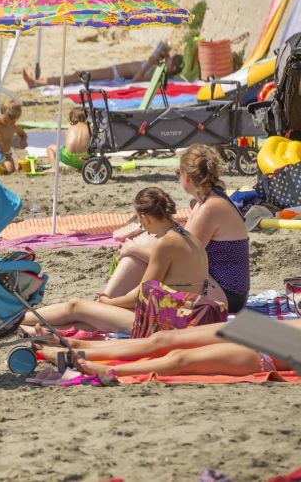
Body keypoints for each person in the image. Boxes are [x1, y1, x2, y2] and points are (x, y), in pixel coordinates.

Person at [20, 187, 211, 336]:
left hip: (167, 323)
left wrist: (109, 302)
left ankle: (13, 321)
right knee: (89, 320)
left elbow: (141, 295)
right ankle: (27, 328)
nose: (141, 226)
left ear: (145, 217)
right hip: (185, 317)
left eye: (139, 220)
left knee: (76, 306)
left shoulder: (166, 244)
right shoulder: (188, 236)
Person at [105, 144, 250, 312]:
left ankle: (107, 302)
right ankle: (110, 302)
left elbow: (183, 258)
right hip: (219, 286)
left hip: (227, 294)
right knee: (147, 241)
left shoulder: (210, 208)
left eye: (177, 174)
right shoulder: (208, 201)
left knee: (143, 245)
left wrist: (133, 249)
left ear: (186, 176)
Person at [36, 320, 300, 379]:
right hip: (269, 331)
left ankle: (109, 370)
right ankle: (79, 347)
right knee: (162, 339)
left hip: (275, 355)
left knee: (180, 358)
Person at [22, 42, 183, 88]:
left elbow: (135, 80)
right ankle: (40, 81)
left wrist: (150, 61)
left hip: (115, 74)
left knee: (78, 76)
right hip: (115, 69)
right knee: (78, 75)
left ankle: (36, 83)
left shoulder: (158, 72)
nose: (167, 59)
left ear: (173, 68)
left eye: (170, 60)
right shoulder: (159, 66)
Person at [0, 100, 27, 175]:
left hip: (6, 154)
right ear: (2, 112)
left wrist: (23, 141)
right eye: (9, 118)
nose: (11, 121)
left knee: (11, 171)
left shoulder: (14, 127)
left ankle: (12, 167)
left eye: (15, 119)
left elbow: (23, 134)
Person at [46, 107, 90, 172]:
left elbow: (67, 144)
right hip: (85, 160)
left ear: (72, 118)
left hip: (68, 158)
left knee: (50, 148)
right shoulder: (90, 128)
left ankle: (54, 168)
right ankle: (82, 167)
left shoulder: (70, 128)